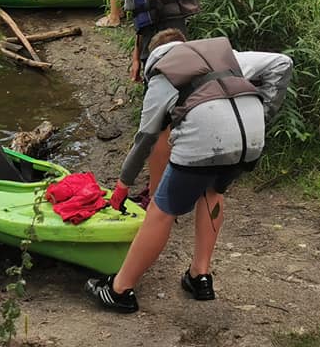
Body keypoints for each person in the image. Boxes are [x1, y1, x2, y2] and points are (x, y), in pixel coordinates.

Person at [85, 28, 294, 313]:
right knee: (212, 192)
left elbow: (146, 137)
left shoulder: (163, 73)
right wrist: (263, 113)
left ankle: (120, 289)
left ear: (153, 55)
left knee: (162, 211)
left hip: (205, 141)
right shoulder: (225, 56)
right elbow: (282, 63)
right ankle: (200, 276)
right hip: (249, 139)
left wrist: (123, 184)